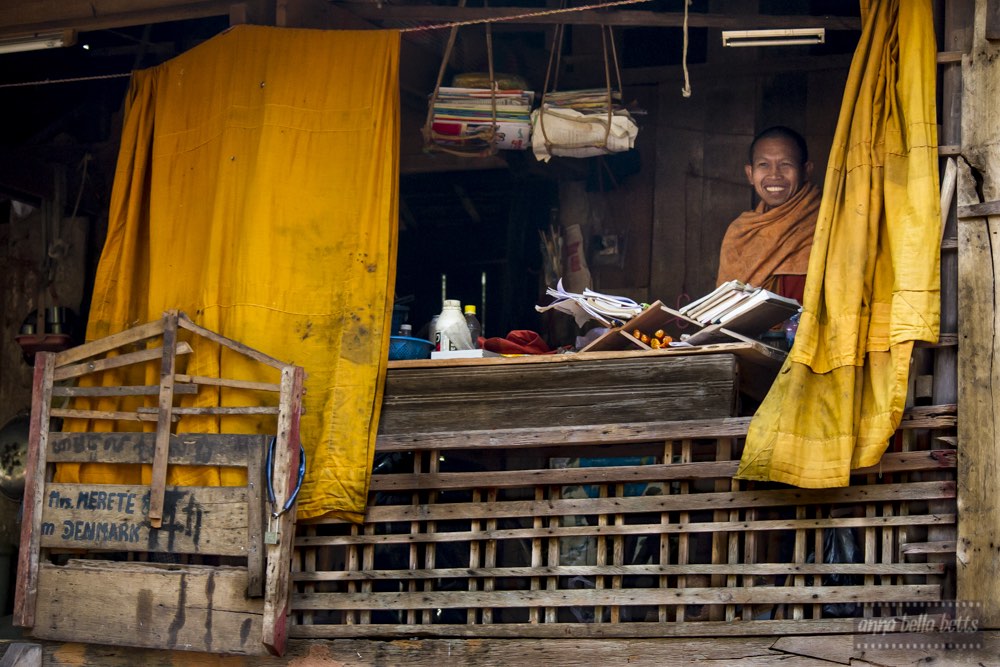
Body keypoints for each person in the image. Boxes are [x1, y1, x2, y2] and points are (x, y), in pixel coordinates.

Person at [716, 126, 821, 303]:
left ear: (806, 171)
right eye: (763, 165)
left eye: (785, 164)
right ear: (750, 174)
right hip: (746, 331)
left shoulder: (827, 221)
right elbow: (722, 306)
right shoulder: (740, 231)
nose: (774, 174)